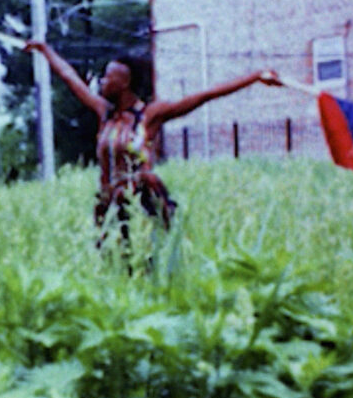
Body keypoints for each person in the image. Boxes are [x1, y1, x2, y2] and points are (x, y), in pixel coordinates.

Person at [25, 41, 281, 247]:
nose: (101, 81)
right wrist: (44, 50)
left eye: (107, 77)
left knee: (147, 262)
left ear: (124, 83)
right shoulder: (104, 113)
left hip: (142, 205)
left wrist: (255, 77)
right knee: (113, 265)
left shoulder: (150, 115)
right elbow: (69, 77)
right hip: (108, 207)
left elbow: (206, 95)